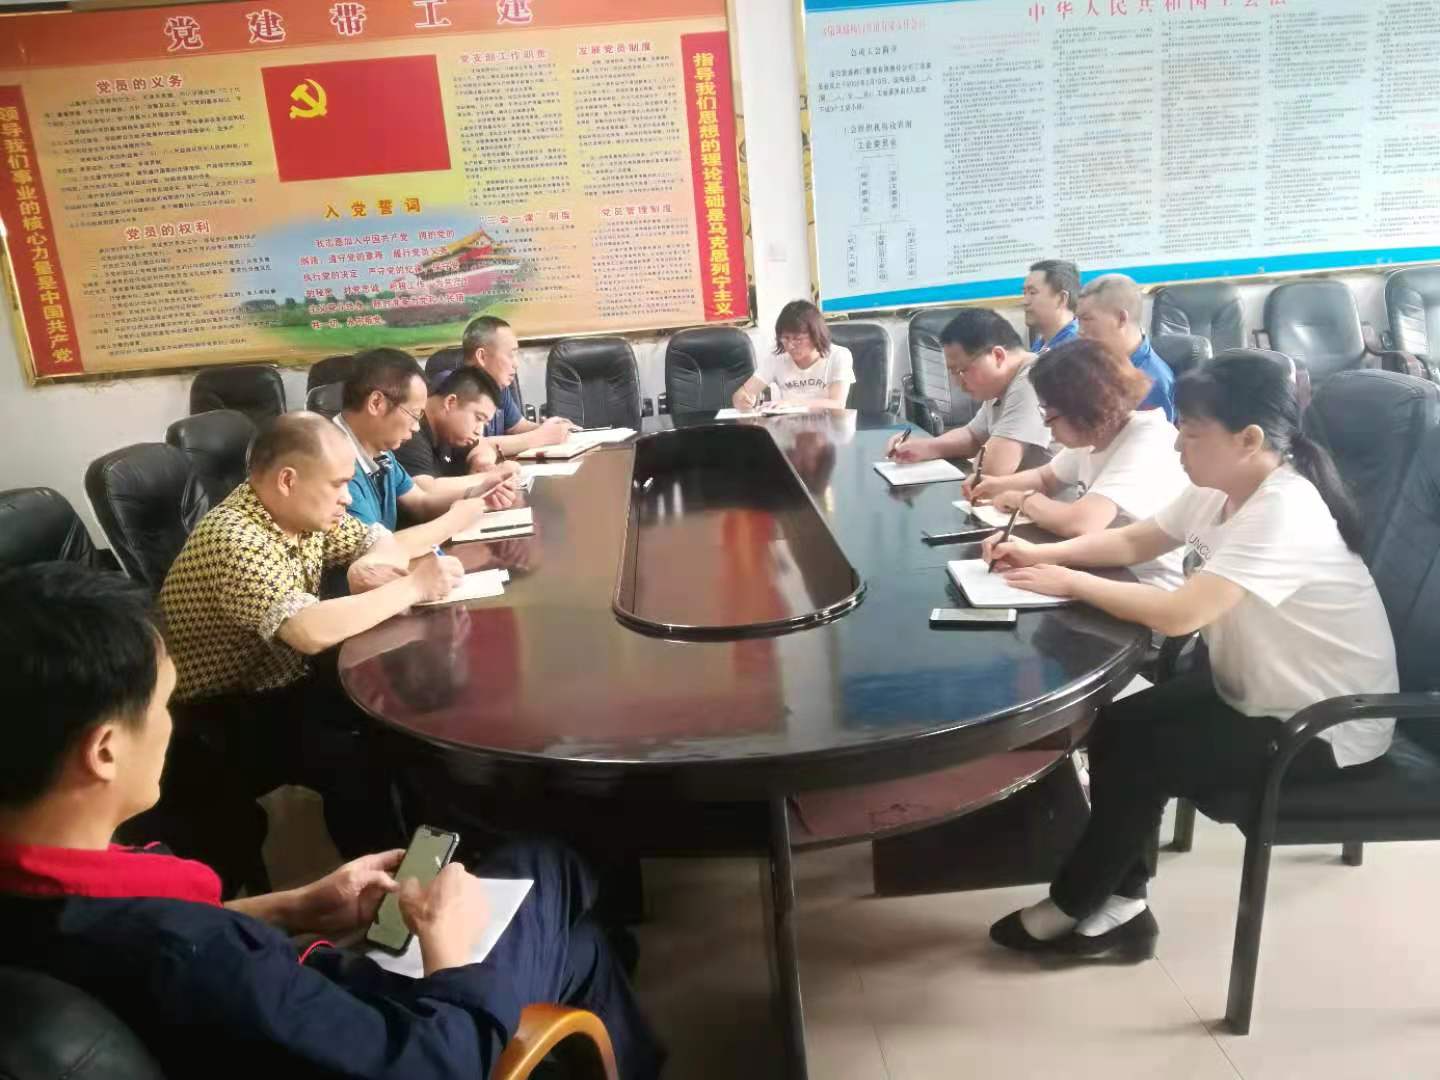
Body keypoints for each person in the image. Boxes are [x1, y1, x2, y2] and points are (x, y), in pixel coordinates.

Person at [0, 563, 664, 1080]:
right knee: (552, 865)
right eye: (164, 705)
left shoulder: (51, 896)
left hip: (304, 1002)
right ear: (105, 750)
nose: (171, 726)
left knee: (580, 948)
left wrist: (294, 906)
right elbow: (432, 1066)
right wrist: (450, 952)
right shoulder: (192, 954)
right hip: (403, 1032)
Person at [983, 353, 1398, 959]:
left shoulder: (1285, 508)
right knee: (1117, 724)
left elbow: (1182, 614)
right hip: (1257, 692)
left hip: (1325, 726)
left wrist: (1069, 582)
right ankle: (1122, 902)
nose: (1178, 444)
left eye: (1194, 433)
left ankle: (1081, 902)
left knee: (1146, 756)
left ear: (1249, 439)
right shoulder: (1219, 490)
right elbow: (1135, 539)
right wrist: (1041, 555)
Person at [157, 414, 466, 873]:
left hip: (280, 680)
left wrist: (369, 567)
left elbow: (379, 541)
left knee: (404, 715)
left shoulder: (295, 513)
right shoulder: (235, 539)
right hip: (215, 717)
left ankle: (440, 847)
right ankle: (388, 882)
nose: (348, 497)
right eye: (339, 484)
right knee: (358, 756)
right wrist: (412, 587)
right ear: (288, 480)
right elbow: (307, 631)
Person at [966, 337, 1186, 589]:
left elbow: (1081, 523)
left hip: (1145, 584)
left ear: (1084, 409)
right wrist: (992, 485)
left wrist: (1023, 500)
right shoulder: (1096, 433)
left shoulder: (1148, 438)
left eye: (1050, 413)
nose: (1045, 423)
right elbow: (1045, 478)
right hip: (1099, 567)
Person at [335, 348, 518, 535]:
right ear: (376, 403)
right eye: (414, 415)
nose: (416, 427)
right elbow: (376, 547)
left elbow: (420, 503)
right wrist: (454, 520)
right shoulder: (334, 464)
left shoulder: (380, 450)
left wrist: (478, 492)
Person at [884, 308, 1053, 475]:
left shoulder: (1033, 380)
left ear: (998, 356)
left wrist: (982, 456)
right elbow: (973, 436)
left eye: (962, 371)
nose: (957, 383)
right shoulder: (1001, 385)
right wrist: (924, 447)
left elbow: (992, 468)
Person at [460, 315, 576, 466]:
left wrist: (552, 428)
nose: (516, 364)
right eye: (511, 355)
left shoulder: (497, 385)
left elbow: (516, 426)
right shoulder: (456, 390)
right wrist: (541, 436)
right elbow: (476, 446)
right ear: (482, 356)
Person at [392, 364, 522, 493]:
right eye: (478, 418)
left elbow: (483, 446)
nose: (479, 431)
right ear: (450, 402)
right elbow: (424, 491)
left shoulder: (452, 432)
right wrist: (491, 476)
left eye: (484, 423)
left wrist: (481, 462)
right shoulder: (409, 432)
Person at [1075, 273, 1176, 420]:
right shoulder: (1097, 360)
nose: (1079, 330)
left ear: (1121, 319)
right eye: (1078, 320)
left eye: (1086, 319)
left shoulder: (1152, 383)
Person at [732, 299, 855, 410]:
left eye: (798, 339)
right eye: (785, 338)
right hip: (789, 425)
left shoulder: (839, 356)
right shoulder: (777, 359)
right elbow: (742, 393)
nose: (790, 346)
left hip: (828, 425)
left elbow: (837, 403)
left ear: (815, 335)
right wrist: (742, 399)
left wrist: (792, 403)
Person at [1023, 259, 1080, 354]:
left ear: (1061, 298)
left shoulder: (1076, 350)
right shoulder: (1041, 345)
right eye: (1024, 293)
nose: (1025, 301)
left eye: (1032, 293)